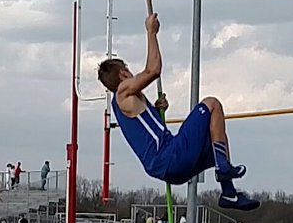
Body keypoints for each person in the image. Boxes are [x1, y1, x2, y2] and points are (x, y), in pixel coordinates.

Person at [98, 13, 259, 211]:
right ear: (123, 73)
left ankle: (229, 192)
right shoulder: (123, 93)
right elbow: (152, 70)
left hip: (170, 166)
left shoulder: (128, 103)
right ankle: (224, 174)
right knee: (212, 104)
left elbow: (147, 132)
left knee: (217, 136)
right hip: (168, 157)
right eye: (128, 70)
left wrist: (157, 110)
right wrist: (151, 32)